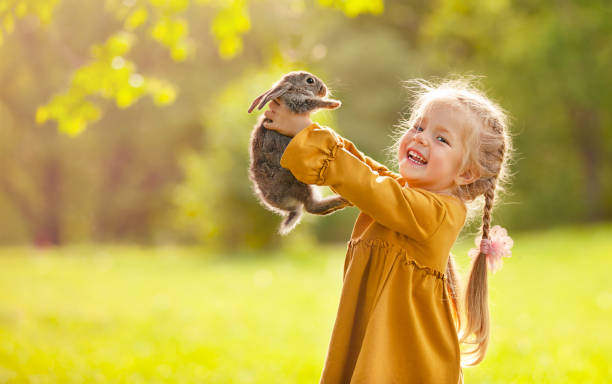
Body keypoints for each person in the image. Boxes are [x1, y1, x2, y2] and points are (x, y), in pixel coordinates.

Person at [262, 79, 514, 384]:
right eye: (419, 127)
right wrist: (305, 130)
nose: (420, 139)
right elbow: (365, 171)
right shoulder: (403, 197)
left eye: (441, 139)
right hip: (375, 348)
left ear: (466, 173)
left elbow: (366, 184)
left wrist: (306, 134)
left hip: (403, 362)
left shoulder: (438, 214)